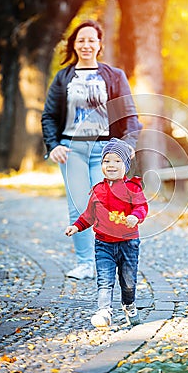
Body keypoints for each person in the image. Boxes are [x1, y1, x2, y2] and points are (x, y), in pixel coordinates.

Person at [41, 20, 142, 280]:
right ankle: (86, 263)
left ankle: (110, 259)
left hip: (106, 150)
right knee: (78, 208)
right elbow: (49, 115)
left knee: (106, 204)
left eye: (91, 40)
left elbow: (130, 115)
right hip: (71, 150)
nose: (86, 45)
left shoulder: (114, 76)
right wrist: (53, 146)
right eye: (81, 40)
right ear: (74, 45)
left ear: (99, 44)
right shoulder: (63, 76)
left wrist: (127, 145)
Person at [65, 138, 148, 328]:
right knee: (105, 279)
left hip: (128, 243)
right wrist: (76, 226)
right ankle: (104, 312)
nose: (111, 165)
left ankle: (129, 305)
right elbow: (88, 215)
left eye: (117, 161)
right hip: (103, 243)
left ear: (126, 166)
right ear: (101, 165)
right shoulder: (97, 190)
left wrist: (136, 216)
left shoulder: (132, 187)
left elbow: (141, 206)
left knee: (128, 282)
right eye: (106, 161)